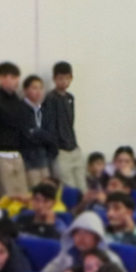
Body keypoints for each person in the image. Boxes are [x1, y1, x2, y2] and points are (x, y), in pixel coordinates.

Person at [0, 62, 32, 199]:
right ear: (1, 78)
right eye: (11, 77)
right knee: (8, 196)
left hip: (17, 154)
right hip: (1, 154)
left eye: (17, 77)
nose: (16, 81)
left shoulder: (17, 99)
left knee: (23, 195)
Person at [44, 61, 85, 191]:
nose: (64, 82)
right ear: (54, 79)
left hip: (73, 146)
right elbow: (50, 125)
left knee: (82, 185)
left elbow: (70, 123)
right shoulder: (50, 98)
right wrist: (56, 147)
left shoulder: (70, 97)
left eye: (67, 78)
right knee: (68, 186)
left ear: (71, 78)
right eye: (60, 78)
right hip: (61, 150)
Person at [18, 74, 56, 186]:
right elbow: (25, 135)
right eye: (34, 88)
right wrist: (41, 135)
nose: (38, 92)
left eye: (41, 88)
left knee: (48, 190)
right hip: (28, 161)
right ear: (25, 90)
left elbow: (51, 136)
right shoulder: (20, 109)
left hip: (44, 160)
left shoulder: (44, 111)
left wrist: (37, 132)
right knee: (35, 191)